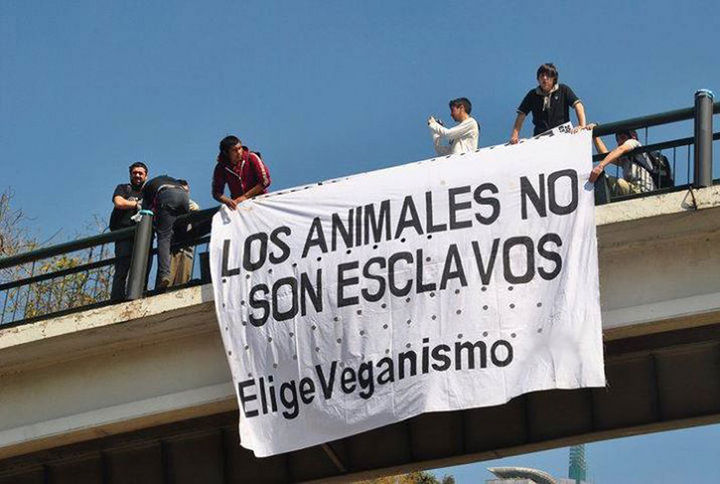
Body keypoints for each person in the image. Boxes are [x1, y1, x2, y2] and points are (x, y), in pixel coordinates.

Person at [510, 63, 586, 143]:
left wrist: (582, 126)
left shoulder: (563, 90)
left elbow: (578, 105)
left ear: (554, 78)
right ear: (538, 79)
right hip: (540, 139)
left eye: (548, 75)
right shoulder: (532, 94)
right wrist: (515, 135)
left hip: (563, 135)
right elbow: (521, 114)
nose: (544, 78)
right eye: (542, 76)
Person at [141, 175, 190, 289]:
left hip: (168, 197)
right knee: (181, 237)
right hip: (184, 197)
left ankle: (164, 275)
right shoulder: (169, 180)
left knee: (163, 238)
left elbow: (146, 213)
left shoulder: (147, 188)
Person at [109, 162, 148, 301]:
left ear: (146, 176)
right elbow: (119, 202)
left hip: (143, 235)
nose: (137, 175)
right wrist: (137, 204)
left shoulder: (148, 191)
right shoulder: (124, 188)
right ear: (130, 175)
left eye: (140, 173)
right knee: (122, 267)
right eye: (134, 173)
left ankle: (140, 295)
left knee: (142, 267)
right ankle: (117, 299)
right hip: (124, 234)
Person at [587, 126, 656, 196]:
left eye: (623, 138)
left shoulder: (634, 142)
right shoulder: (625, 160)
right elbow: (605, 154)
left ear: (633, 136)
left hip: (643, 190)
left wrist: (600, 166)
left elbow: (621, 149)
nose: (619, 142)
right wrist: (595, 135)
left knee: (603, 179)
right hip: (634, 189)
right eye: (618, 140)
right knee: (601, 181)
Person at [212, 135, 271, 210]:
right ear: (226, 153)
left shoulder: (251, 157)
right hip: (240, 207)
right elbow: (216, 193)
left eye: (240, 148)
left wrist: (245, 197)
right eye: (234, 150)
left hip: (261, 201)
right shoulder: (221, 168)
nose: (239, 152)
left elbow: (265, 181)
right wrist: (228, 201)